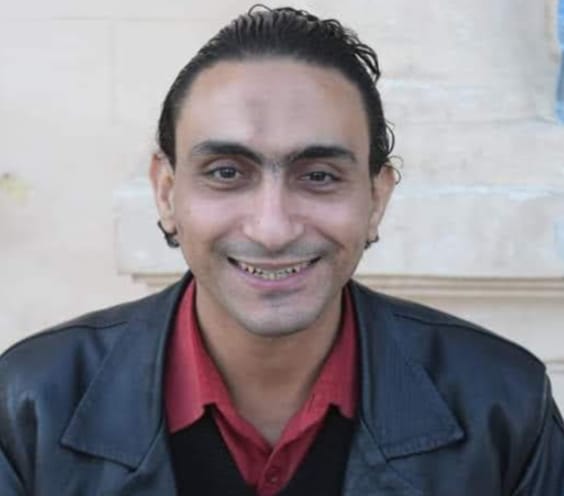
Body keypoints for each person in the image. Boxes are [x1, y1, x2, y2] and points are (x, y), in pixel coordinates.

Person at [1, 5, 563, 495]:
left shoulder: (504, 406)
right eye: (226, 172)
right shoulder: (28, 405)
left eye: (319, 176)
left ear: (376, 198)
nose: (272, 229)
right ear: (167, 193)